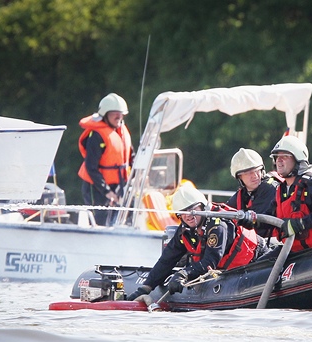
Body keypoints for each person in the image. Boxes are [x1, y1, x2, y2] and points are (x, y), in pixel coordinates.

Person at [127, 185, 258, 301]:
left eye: (192, 210)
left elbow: (210, 262)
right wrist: (146, 287)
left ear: (202, 207)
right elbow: (167, 259)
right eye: (183, 213)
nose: (188, 216)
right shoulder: (185, 230)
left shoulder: (217, 225)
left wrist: (184, 274)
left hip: (254, 264)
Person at [257, 135, 312, 259]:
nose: (279, 161)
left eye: (285, 157)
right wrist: (252, 221)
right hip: (296, 252)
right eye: (277, 157)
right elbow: (271, 220)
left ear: (298, 160)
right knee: (259, 267)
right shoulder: (282, 189)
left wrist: (299, 224)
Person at [78, 93, 135, 226]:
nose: (119, 117)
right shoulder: (96, 136)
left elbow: (132, 156)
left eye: (121, 114)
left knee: (124, 219)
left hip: (118, 186)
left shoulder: (121, 132)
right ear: (105, 115)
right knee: (99, 222)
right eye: (114, 113)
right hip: (96, 187)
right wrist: (107, 192)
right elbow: (91, 168)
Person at [226, 148, 281, 256]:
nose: (255, 176)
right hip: (254, 246)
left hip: (272, 244)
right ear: (239, 177)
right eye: (248, 173)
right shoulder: (242, 195)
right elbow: (225, 211)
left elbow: (257, 224)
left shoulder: (270, 188)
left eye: (257, 171)